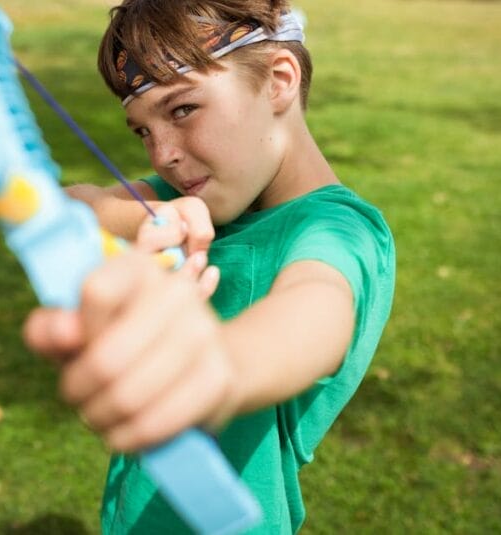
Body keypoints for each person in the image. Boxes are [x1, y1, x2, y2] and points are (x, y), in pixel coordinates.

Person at [22, 0, 396, 532]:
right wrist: (146, 217)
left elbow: (318, 305)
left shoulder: (336, 228)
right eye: (142, 131)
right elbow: (72, 207)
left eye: (182, 110)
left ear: (278, 81)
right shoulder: (194, 193)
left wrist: (218, 370)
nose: (163, 155)